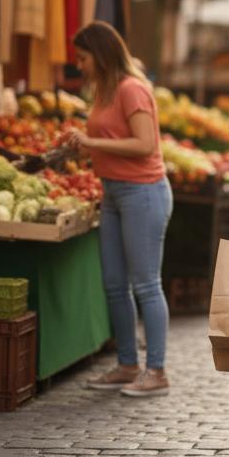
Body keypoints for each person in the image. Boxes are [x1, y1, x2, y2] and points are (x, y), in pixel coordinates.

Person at [69, 21, 172, 398]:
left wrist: (92, 142)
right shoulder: (103, 90)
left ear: (100, 55)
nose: (79, 65)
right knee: (114, 284)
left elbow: (145, 145)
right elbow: (110, 139)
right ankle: (127, 364)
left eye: (83, 57)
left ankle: (156, 370)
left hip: (143, 193)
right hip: (112, 193)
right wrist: (84, 149)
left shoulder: (131, 88)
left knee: (146, 284)